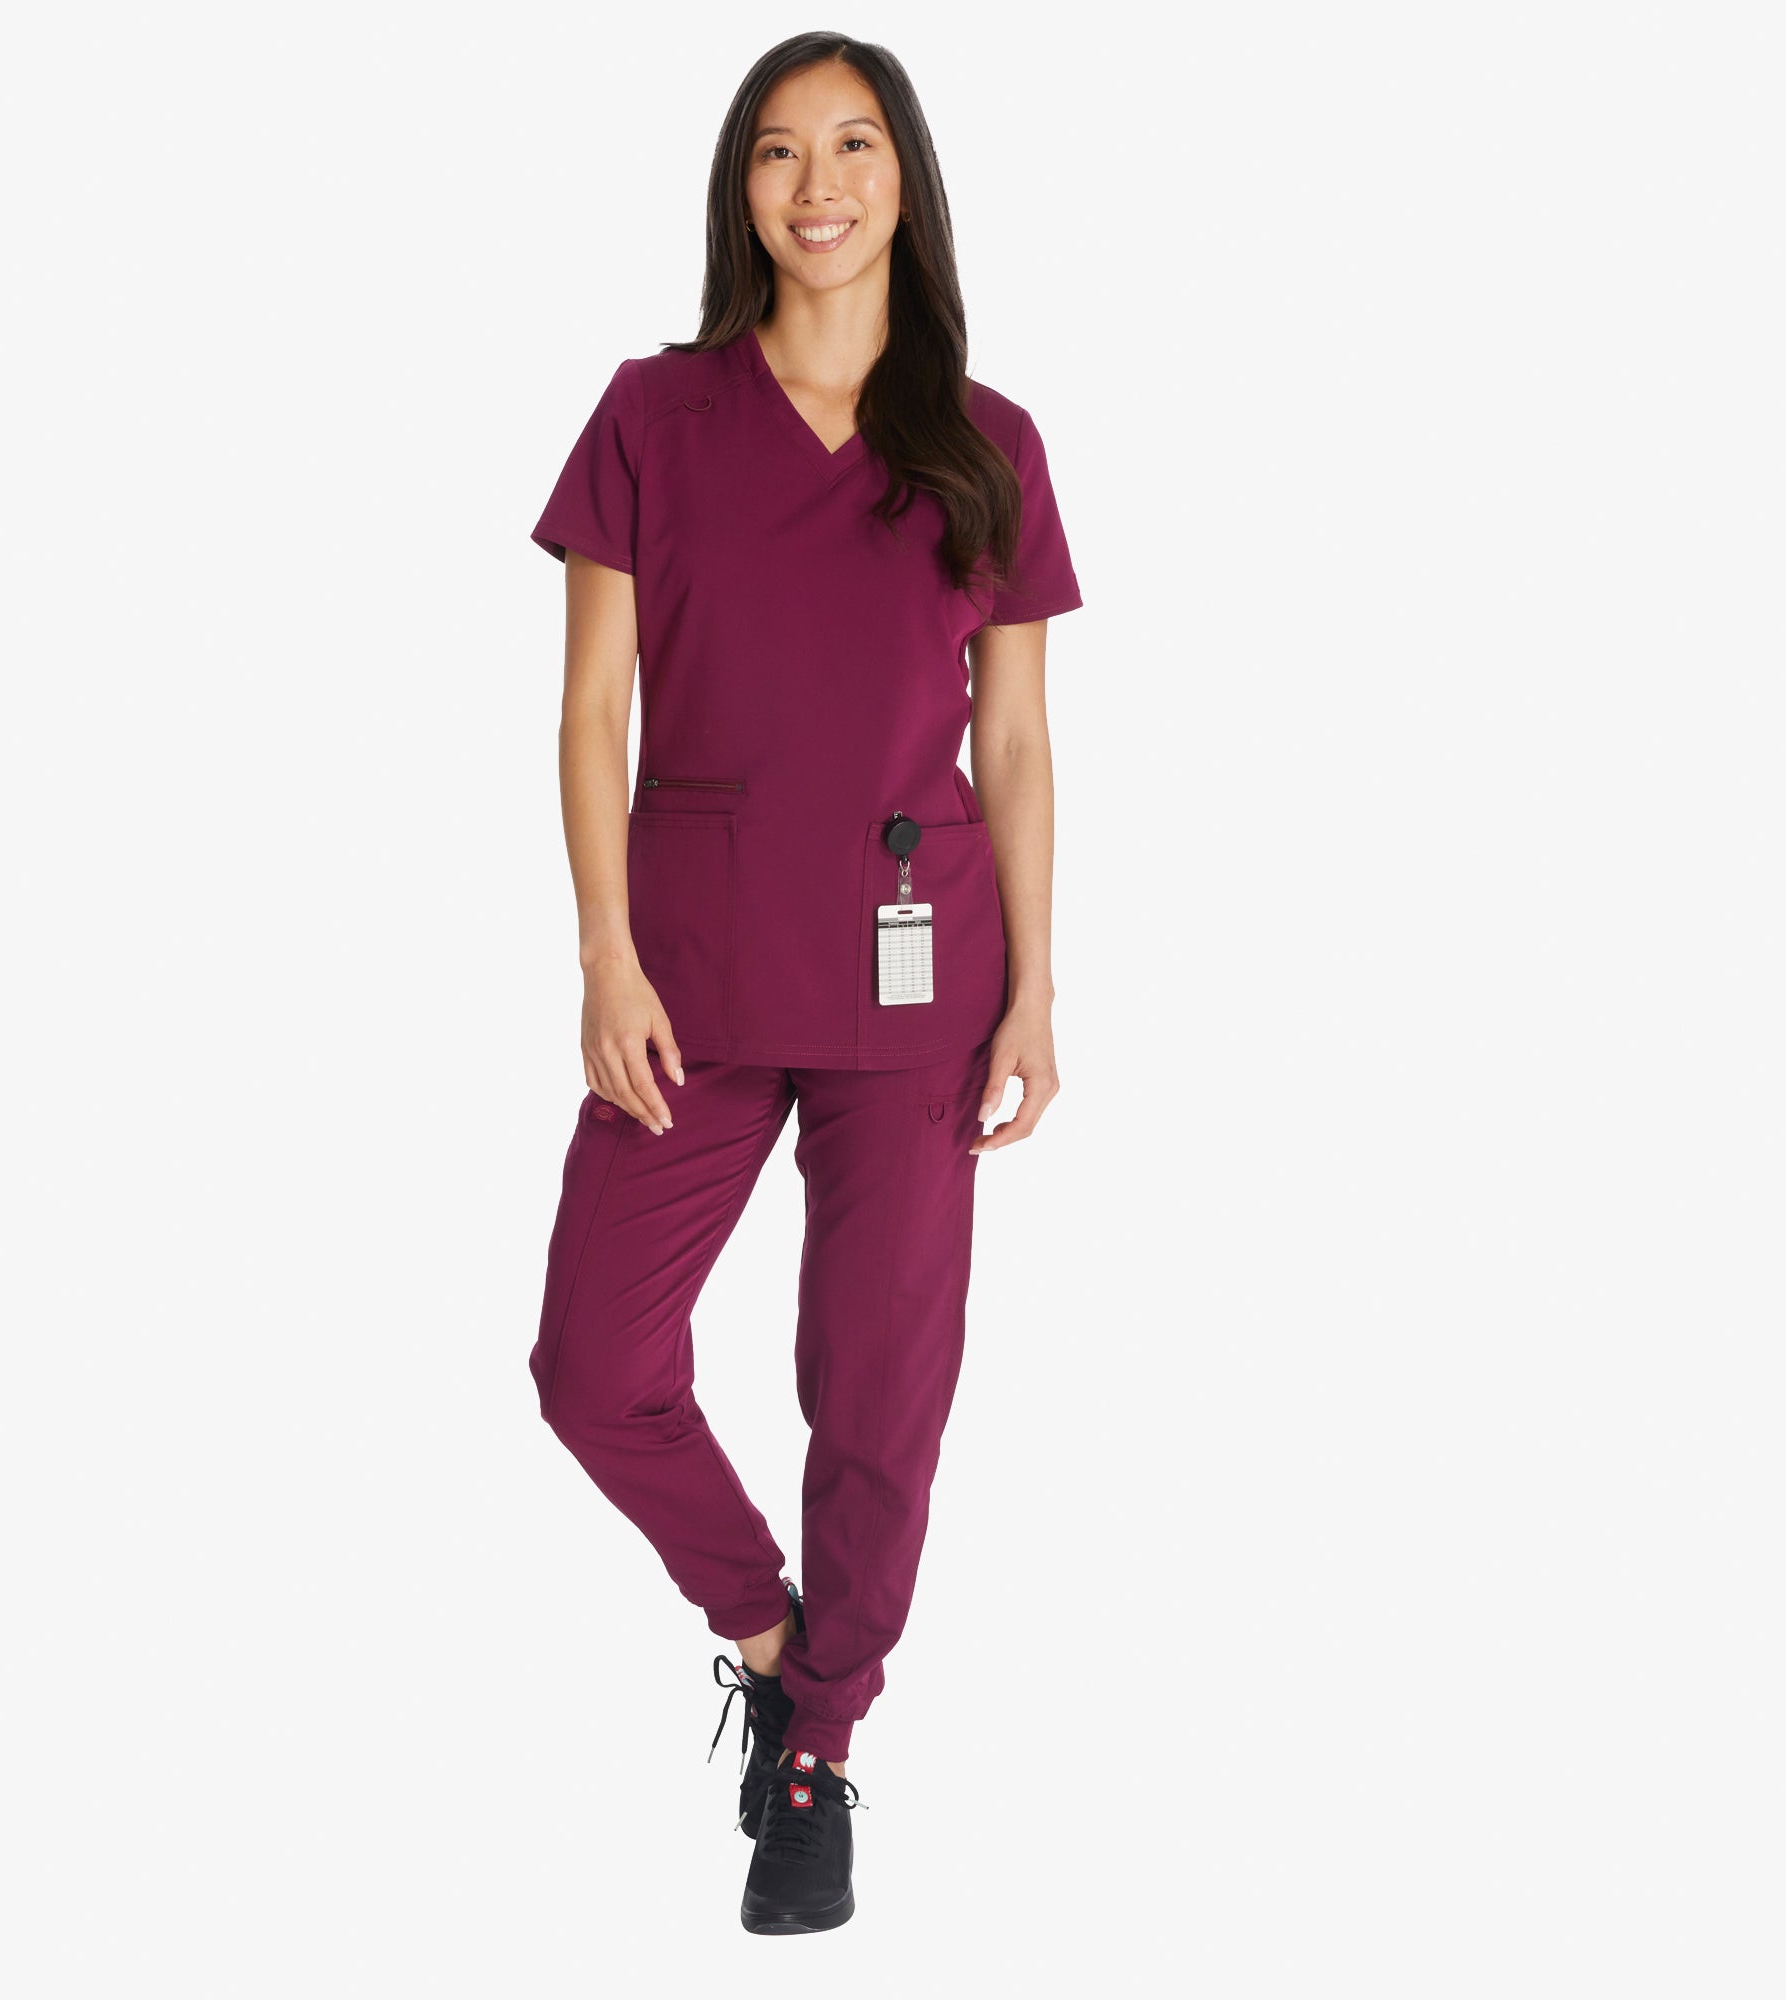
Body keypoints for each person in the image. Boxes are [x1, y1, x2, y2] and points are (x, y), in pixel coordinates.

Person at [526, 32, 1082, 1935]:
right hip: (687, 973)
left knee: (880, 1388)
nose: (817, 185)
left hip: (920, 978)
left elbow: (1017, 741)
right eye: (778, 152)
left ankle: (819, 1750)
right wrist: (603, 951)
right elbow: (591, 708)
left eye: (852, 146)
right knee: (594, 1364)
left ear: (904, 178)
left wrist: (1040, 988)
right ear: (739, 189)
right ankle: (770, 1635)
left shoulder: (987, 442)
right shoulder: (652, 417)